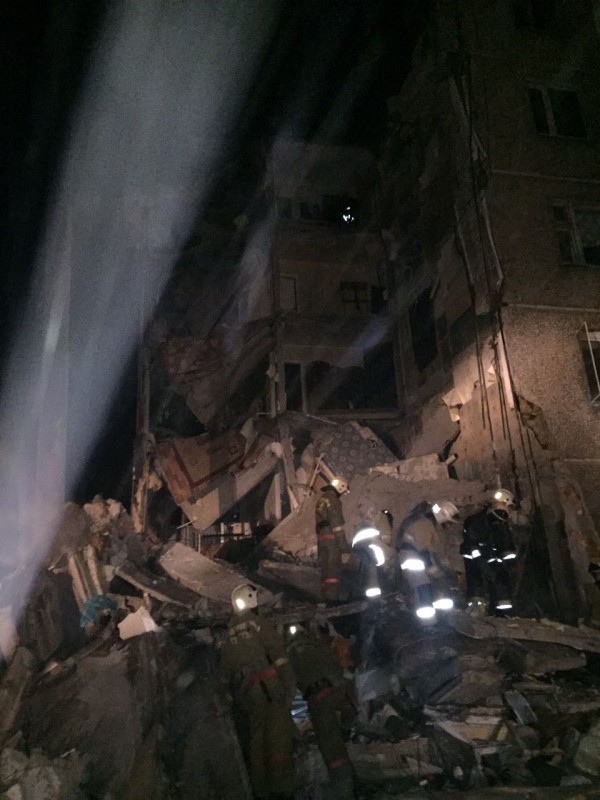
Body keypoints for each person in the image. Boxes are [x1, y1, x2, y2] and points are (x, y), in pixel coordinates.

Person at [219, 584, 296, 800]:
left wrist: (234, 699)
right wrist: (289, 685)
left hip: (249, 695)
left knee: (257, 744)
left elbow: (224, 675)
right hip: (271, 689)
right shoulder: (258, 623)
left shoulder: (227, 636)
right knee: (279, 739)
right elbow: (278, 654)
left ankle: (261, 791)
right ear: (250, 600)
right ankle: (283, 791)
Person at [286, 622, 356, 799]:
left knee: (329, 742)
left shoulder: (291, 654)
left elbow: (290, 682)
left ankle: (343, 788)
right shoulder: (317, 645)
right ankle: (353, 772)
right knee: (346, 731)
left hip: (319, 698)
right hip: (339, 691)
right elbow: (336, 664)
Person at [397, 501, 459, 620]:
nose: (447, 525)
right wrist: (430, 566)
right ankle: (428, 623)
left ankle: (442, 618)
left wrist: (445, 569)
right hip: (413, 559)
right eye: (447, 522)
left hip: (418, 557)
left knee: (436, 585)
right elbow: (423, 547)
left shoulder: (429, 524)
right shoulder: (424, 524)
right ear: (442, 515)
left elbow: (434, 550)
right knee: (422, 588)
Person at [461, 492, 517, 615]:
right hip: (474, 558)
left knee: (499, 580)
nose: (497, 522)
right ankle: (476, 609)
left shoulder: (501, 523)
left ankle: (502, 612)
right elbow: (472, 544)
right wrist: (481, 561)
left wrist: (510, 562)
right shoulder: (475, 522)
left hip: (491, 556)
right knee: (476, 581)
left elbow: (505, 543)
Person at [315, 477, 350, 603]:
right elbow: (337, 525)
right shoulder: (333, 500)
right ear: (340, 488)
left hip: (323, 539)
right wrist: (344, 547)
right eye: (343, 491)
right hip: (332, 540)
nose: (342, 494)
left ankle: (323, 599)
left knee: (325, 570)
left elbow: (318, 525)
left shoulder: (321, 499)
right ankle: (332, 601)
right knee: (333, 571)